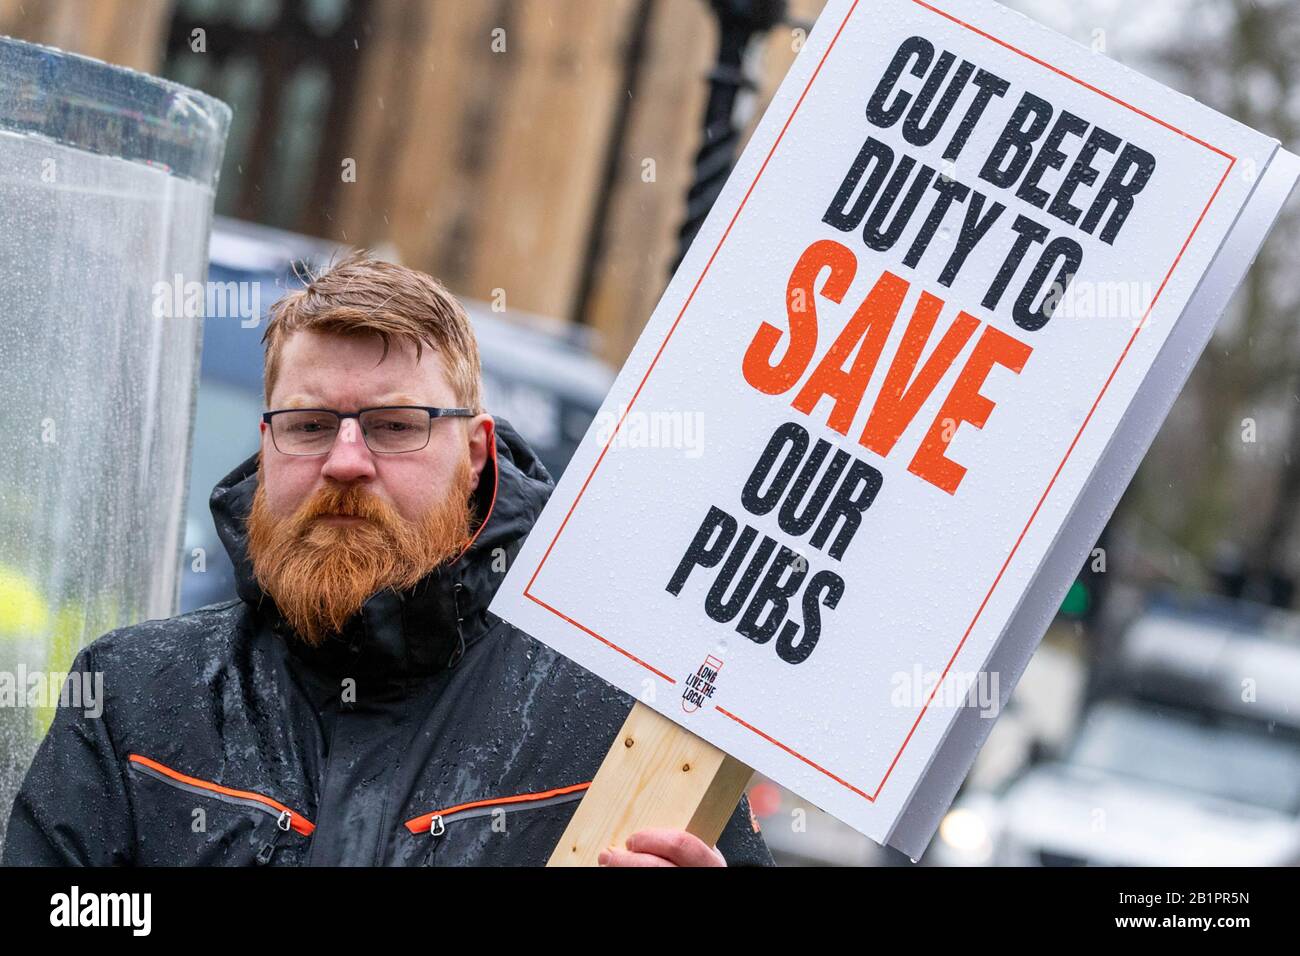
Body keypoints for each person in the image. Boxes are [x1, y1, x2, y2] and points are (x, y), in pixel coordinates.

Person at [1, 251, 773, 867]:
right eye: (307, 425)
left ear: (475, 454)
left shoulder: (617, 722)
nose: (345, 461)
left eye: (396, 425)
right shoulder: (137, 697)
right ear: (267, 444)